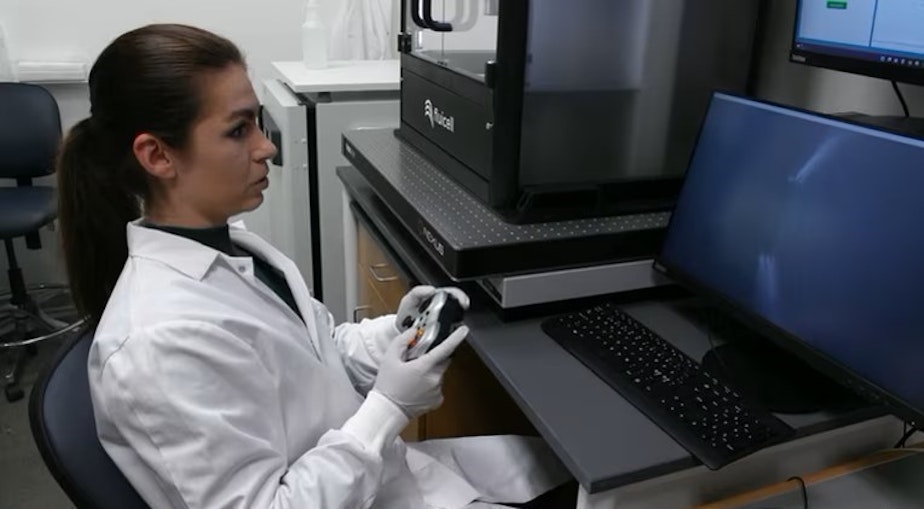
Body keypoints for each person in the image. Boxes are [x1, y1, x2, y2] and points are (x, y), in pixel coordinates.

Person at [57, 24, 567, 509]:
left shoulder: (233, 247)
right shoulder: (158, 343)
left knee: (582, 476)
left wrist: (395, 334)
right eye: (238, 131)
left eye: (256, 120)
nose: (267, 146)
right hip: (358, 490)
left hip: (384, 478)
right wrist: (389, 407)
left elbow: (313, 358)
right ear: (157, 155)